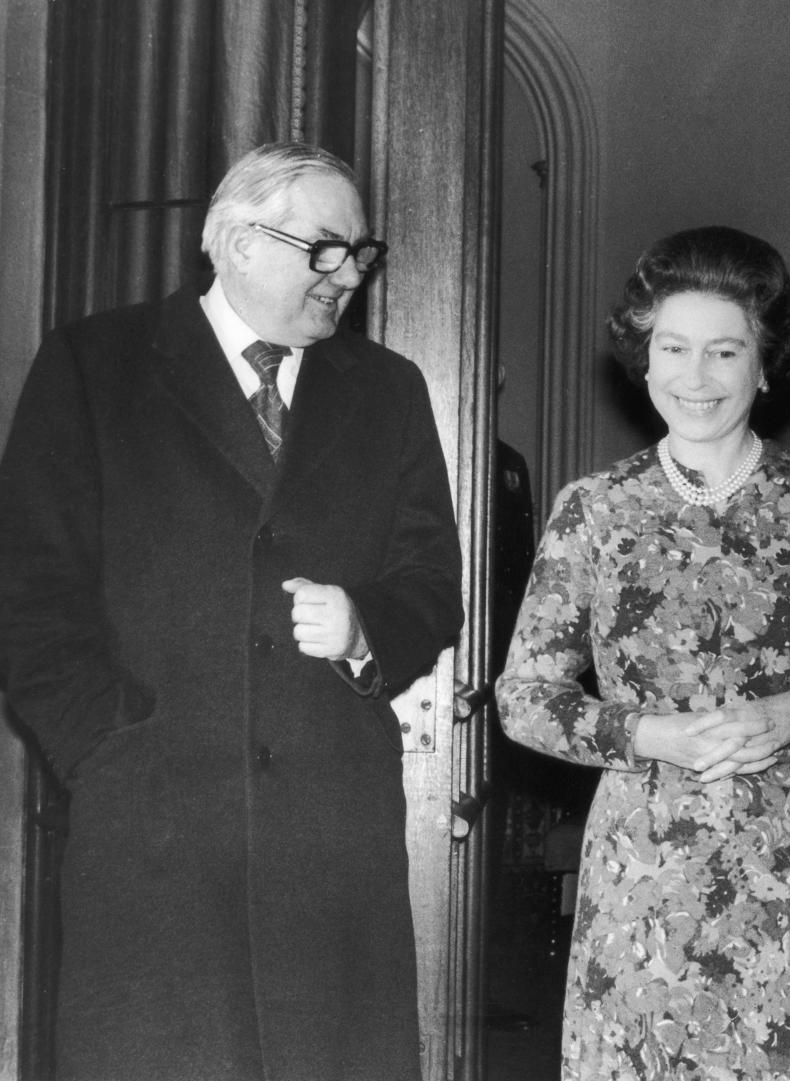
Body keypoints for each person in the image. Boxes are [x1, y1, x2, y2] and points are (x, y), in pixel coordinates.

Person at [0, 142, 463, 1081]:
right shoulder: (96, 366)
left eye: (361, 255)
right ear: (241, 240)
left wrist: (368, 626)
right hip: (153, 833)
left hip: (328, 844)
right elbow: (27, 588)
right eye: (326, 250)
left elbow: (430, 582)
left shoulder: (389, 390)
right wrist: (108, 746)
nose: (349, 276)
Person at [495, 225, 790, 1081]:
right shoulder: (597, 510)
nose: (695, 377)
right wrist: (651, 733)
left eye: (724, 351)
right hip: (646, 875)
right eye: (674, 348)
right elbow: (525, 697)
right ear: (645, 358)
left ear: (765, 366)